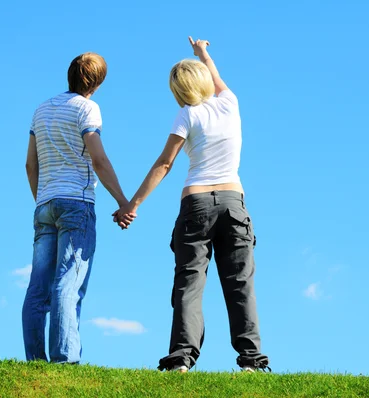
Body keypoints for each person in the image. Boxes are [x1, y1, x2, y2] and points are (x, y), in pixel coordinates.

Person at [114, 37, 270, 372]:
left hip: (196, 202)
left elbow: (164, 164)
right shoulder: (230, 103)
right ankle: (253, 362)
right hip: (233, 202)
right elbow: (216, 78)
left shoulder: (186, 115)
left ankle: (181, 359)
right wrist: (203, 54)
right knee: (240, 283)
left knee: (189, 283)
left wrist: (133, 204)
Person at [24, 52, 132, 363]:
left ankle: (35, 360)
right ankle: (64, 360)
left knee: (37, 287)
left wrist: (42, 199)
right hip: (76, 204)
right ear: (97, 83)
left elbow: (31, 165)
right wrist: (123, 201)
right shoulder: (87, 108)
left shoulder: (41, 110)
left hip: (44, 204)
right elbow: (98, 159)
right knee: (67, 284)